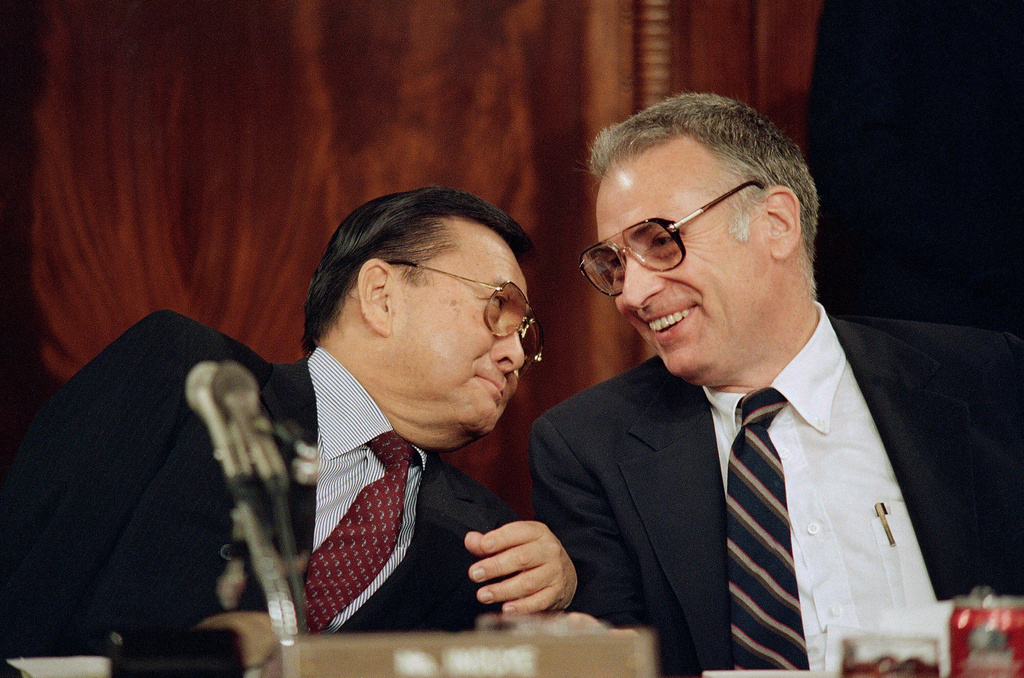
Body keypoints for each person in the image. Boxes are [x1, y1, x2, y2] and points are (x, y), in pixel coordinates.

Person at [529, 92, 1024, 676]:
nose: (633, 295)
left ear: (776, 224)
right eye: (614, 264)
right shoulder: (588, 448)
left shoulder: (987, 380)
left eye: (660, 242)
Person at [0, 186, 575, 661]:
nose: (516, 355)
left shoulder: (493, 545)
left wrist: (564, 594)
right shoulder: (185, 376)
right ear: (381, 296)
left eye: (526, 336)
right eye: (501, 309)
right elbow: (21, 582)